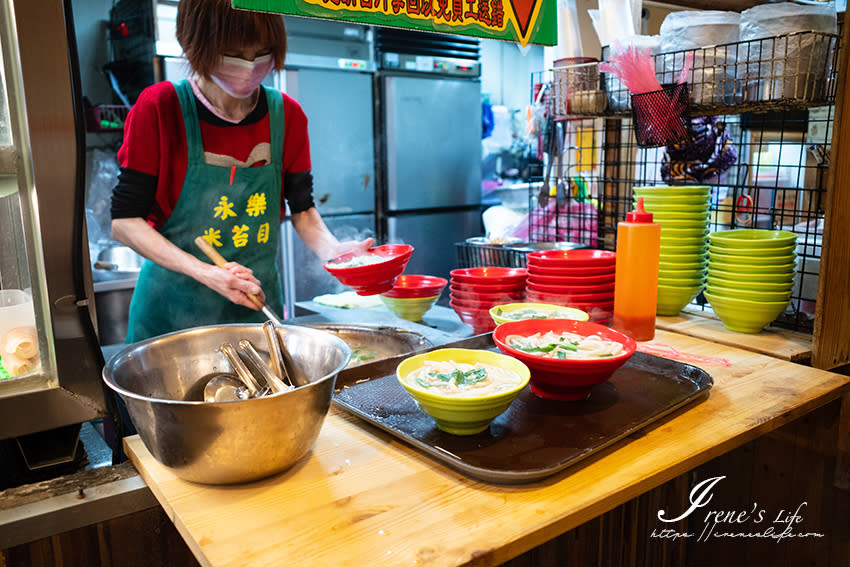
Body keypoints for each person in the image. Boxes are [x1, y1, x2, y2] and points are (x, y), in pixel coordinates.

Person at [110, 0, 373, 343]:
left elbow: (304, 211)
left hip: (256, 310)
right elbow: (124, 223)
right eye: (233, 53)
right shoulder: (160, 108)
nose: (249, 67)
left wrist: (336, 254)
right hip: (170, 319)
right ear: (195, 45)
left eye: (261, 53)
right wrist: (206, 272)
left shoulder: (287, 116)